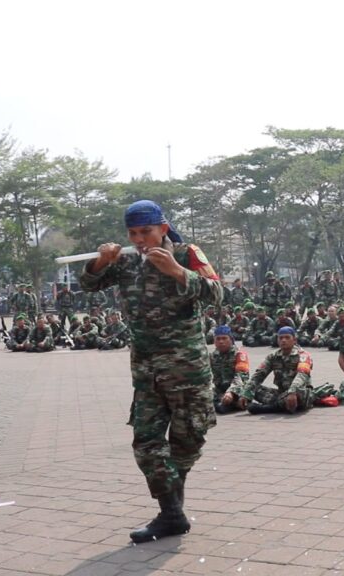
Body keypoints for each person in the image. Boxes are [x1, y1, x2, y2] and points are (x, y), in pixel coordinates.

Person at [79, 199, 222, 543]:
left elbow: (217, 294)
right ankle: (171, 513)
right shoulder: (126, 261)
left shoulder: (187, 253)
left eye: (146, 231)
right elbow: (89, 285)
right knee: (146, 443)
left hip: (186, 370)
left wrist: (177, 271)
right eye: (133, 233)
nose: (140, 239)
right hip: (146, 371)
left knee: (186, 445)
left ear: (162, 228)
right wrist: (101, 261)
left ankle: (172, 511)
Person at [224, 327, 322, 414]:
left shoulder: (303, 355)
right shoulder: (273, 356)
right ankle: (279, 405)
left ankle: (268, 408)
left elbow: (302, 375)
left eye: (287, 337)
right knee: (249, 387)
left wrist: (292, 392)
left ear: (294, 340)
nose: (283, 340)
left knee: (299, 394)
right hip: (281, 393)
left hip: (299, 393)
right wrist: (246, 393)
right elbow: (259, 375)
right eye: (281, 338)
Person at [210, 325, 251, 414]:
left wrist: (231, 392)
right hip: (220, 389)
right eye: (218, 339)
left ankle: (235, 402)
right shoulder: (213, 356)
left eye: (224, 338)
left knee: (220, 408)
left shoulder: (239, 354)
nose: (221, 342)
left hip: (238, 389)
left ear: (231, 340)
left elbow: (241, 376)